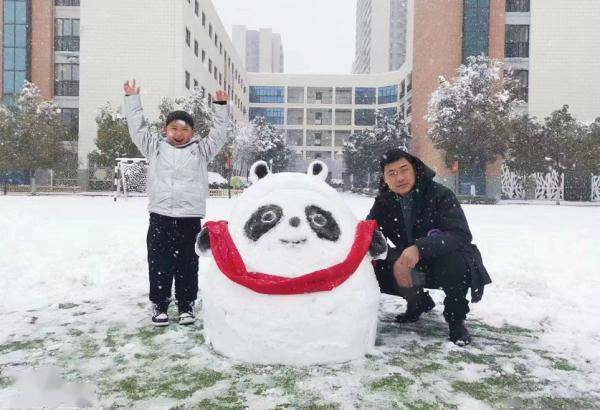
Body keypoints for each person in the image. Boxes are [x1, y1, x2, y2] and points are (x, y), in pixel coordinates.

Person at [123, 79, 229, 326]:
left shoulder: (202, 151)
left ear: (192, 132)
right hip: (160, 216)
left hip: (189, 219)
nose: (178, 134)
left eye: (184, 130)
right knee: (159, 262)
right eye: (174, 129)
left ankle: (186, 305)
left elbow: (220, 133)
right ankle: (159, 304)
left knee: (187, 264)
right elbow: (137, 129)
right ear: (165, 130)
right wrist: (132, 101)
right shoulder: (154, 148)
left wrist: (221, 106)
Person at [367, 148, 491, 345]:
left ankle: (456, 321)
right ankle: (417, 303)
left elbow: (460, 235)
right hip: (410, 265)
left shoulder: (440, 194)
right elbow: (369, 233)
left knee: (456, 262)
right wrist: (392, 258)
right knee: (371, 268)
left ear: (415, 169)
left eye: (404, 169)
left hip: (444, 261)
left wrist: (419, 248)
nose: (399, 178)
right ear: (384, 179)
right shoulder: (384, 202)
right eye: (392, 173)